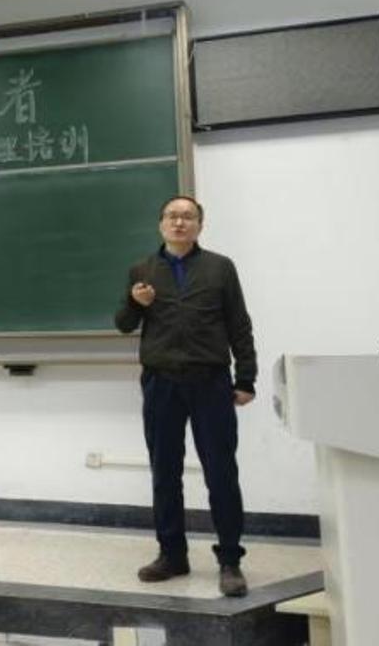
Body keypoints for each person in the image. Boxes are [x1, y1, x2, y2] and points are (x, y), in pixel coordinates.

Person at [115, 195, 257, 598]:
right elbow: (123, 324)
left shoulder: (220, 267)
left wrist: (246, 378)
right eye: (172, 216)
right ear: (161, 224)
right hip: (161, 383)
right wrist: (135, 303)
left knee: (221, 472)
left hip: (211, 382)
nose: (180, 222)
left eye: (188, 217)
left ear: (199, 225)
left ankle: (230, 560)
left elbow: (239, 324)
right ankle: (172, 554)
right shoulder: (142, 270)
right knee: (165, 471)